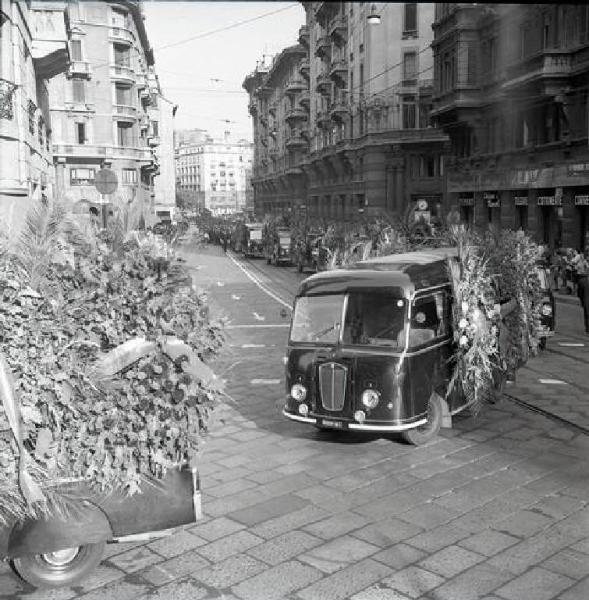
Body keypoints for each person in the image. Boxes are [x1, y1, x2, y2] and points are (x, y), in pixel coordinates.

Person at [576, 249, 589, 334]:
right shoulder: (583, 281)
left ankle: (588, 327)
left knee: (587, 313)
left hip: (586, 301)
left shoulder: (582, 281)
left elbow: (579, 293)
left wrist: (582, 300)